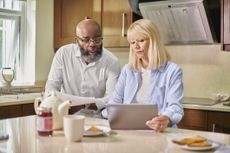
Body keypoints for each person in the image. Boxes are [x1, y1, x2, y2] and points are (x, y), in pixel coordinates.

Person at [106, 19, 184, 132]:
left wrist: (166, 118)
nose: (136, 46)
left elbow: (175, 107)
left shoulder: (172, 70)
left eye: (141, 40)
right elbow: (114, 103)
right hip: (129, 132)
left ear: (153, 41)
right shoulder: (128, 70)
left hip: (158, 132)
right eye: (132, 42)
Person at [45, 18, 120, 117]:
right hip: (67, 117)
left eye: (97, 39)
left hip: (96, 120)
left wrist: (84, 105)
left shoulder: (111, 61)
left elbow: (113, 98)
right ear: (76, 41)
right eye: (86, 40)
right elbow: (52, 87)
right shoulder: (63, 54)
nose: (92, 44)